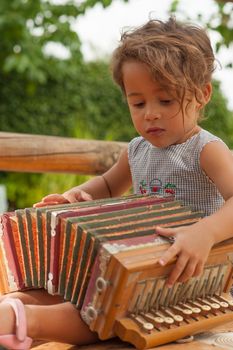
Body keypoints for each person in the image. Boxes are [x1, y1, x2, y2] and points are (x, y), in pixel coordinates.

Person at [1, 16, 233, 350]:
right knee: (47, 290)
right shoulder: (137, 150)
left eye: (165, 100)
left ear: (202, 95)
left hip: (189, 275)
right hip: (138, 264)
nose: (150, 113)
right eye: (138, 103)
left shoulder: (205, 150)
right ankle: (18, 310)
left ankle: (22, 322)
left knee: (111, 313)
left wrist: (205, 233)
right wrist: (74, 198)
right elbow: (108, 186)